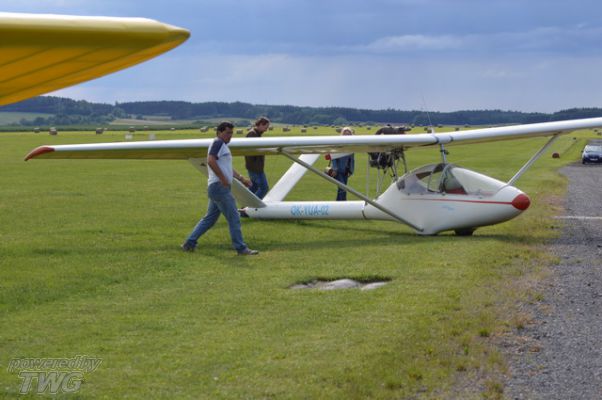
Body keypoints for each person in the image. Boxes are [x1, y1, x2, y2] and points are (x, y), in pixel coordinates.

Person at [181, 121, 259, 255]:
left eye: (231, 133)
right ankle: (241, 248)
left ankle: (189, 243)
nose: (230, 136)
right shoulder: (218, 143)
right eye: (227, 133)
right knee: (234, 217)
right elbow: (210, 160)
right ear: (219, 132)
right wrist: (223, 179)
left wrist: (242, 179)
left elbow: (227, 168)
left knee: (209, 219)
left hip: (217, 188)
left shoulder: (221, 145)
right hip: (219, 187)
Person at [244, 117, 270, 199]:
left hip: (255, 167)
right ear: (261, 124)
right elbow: (251, 152)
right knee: (264, 188)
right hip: (255, 168)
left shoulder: (256, 134)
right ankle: (252, 205)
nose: (266, 130)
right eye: (266, 127)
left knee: (253, 188)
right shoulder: (252, 134)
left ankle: (246, 205)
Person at [331, 126, 355, 201]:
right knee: (342, 188)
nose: (347, 135)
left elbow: (352, 159)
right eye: (345, 134)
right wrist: (335, 169)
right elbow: (333, 157)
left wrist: (351, 170)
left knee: (342, 188)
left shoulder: (351, 146)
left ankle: (340, 203)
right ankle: (343, 202)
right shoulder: (338, 144)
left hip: (346, 171)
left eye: (348, 134)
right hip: (338, 170)